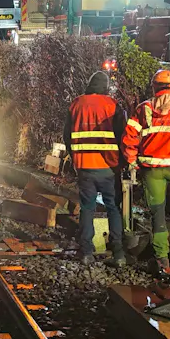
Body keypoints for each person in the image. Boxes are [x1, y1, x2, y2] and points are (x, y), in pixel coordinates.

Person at [122, 69, 170, 272]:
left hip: (152, 169)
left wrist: (132, 161)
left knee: (157, 212)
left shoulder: (144, 109)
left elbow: (129, 138)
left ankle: (162, 258)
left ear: (154, 87)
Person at [63, 71, 128, 265]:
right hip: (109, 167)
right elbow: (123, 137)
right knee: (113, 208)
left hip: (85, 165)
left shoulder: (76, 104)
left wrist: (75, 158)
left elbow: (67, 136)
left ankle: (86, 252)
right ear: (106, 87)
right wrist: (122, 163)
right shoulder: (112, 105)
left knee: (87, 208)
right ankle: (118, 253)